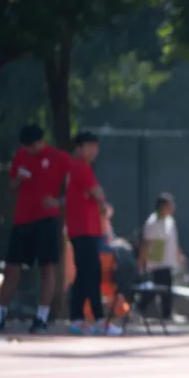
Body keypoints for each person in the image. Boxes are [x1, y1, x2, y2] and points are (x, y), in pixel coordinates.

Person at [0, 124, 71, 333]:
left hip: (47, 220)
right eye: (26, 147)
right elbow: (11, 187)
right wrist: (19, 179)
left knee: (47, 267)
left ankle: (41, 317)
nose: (29, 151)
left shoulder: (59, 157)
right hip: (22, 220)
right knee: (11, 268)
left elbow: (74, 188)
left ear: (41, 141)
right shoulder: (21, 156)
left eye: (32, 146)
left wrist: (58, 202)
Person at [65, 132, 107, 334]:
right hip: (83, 229)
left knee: (84, 274)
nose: (93, 150)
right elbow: (98, 194)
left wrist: (97, 198)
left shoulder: (84, 167)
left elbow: (96, 195)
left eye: (95, 146)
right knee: (92, 273)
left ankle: (77, 319)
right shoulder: (80, 166)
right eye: (89, 146)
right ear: (79, 148)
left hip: (86, 229)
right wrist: (99, 199)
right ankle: (99, 319)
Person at [139, 193, 187, 321]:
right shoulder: (152, 223)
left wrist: (179, 255)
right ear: (162, 206)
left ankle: (167, 313)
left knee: (166, 288)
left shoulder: (170, 221)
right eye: (170, 205)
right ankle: (139, 309)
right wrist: (142, 261)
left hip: (168, 261)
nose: (173, 208)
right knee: (156, 289)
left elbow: (174, 241)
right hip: (157, 262)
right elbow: (146, 244)